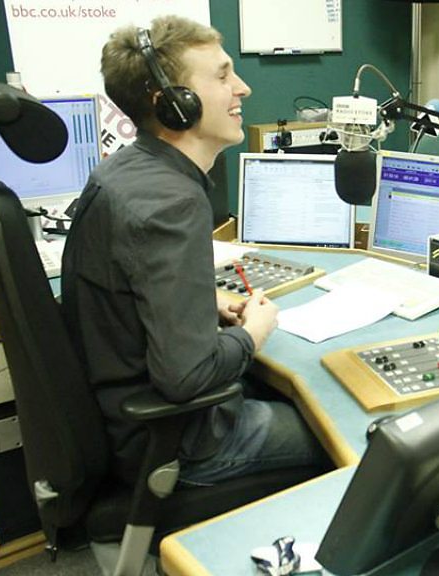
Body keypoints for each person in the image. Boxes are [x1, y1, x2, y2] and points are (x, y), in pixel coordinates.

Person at [61, 16, 330, 486]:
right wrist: (254, 334)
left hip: (118, 418)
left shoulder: (125, 171)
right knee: (352, 435)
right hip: (180, 442)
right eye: (223, 76)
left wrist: (206, 304)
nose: (243, 88)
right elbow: (186, 378)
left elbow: (130, 295)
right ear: (174, 105)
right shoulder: (172, 204)